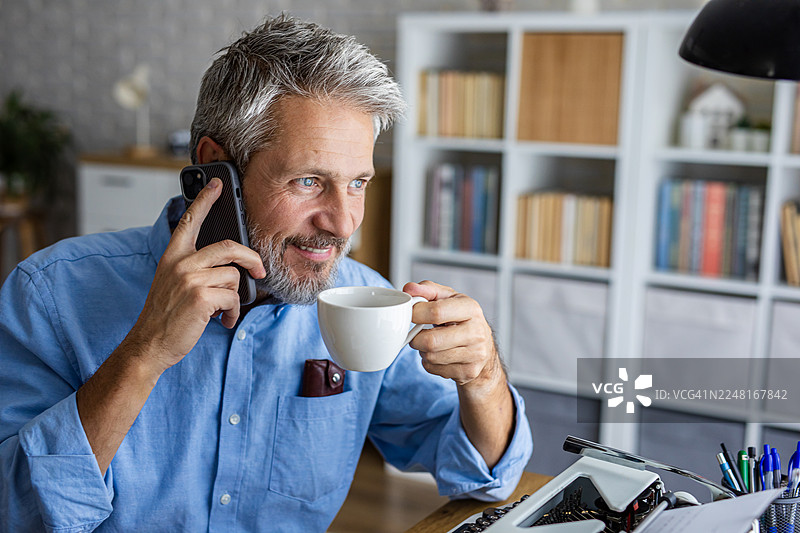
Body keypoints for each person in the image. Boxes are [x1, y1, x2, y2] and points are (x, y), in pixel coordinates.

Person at [0, 14, 532, 532]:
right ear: (216, 167)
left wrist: (483, 379)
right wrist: (144, 354)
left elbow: (483, 477)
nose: (342, 222)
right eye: (307, 181)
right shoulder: (48, 294)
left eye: (357, 183)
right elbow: (14, 511)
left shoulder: (364, 299)